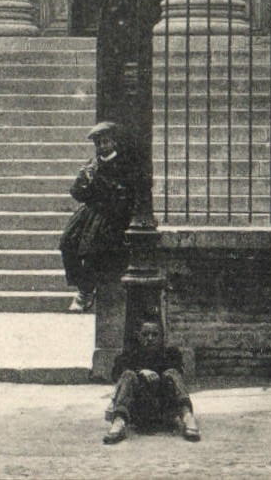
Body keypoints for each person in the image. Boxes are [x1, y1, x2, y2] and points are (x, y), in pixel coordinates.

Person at [59, 120, 135, 313]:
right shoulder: (92, 164)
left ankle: (85, 292)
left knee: (93, 247)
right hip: (91, 211)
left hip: (111, 214)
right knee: (67, 241)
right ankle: (81, 285)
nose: (102, 147)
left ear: (114, 142)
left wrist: (97, 182)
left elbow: (118, 196)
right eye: (98, 143)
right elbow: (76, 193)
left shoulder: (123, 164)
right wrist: (84, 181)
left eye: (106, 142)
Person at [103, 315, 200, 444]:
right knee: (127, 375)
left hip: (165, 410)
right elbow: (116, 373)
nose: (150, 338)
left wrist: (158, 375)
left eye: (155, 334)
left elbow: (178, 371)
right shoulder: (130, 354)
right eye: (145, 334)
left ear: (162, 337)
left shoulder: (171, 354)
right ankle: (118, 423)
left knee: (172, 372)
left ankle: (188, 418)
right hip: (138, 412)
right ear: (138, 336)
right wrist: (141, 372)